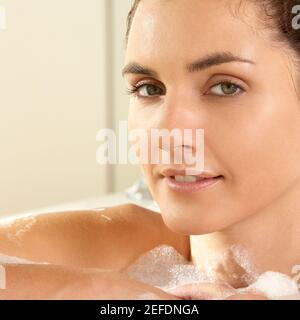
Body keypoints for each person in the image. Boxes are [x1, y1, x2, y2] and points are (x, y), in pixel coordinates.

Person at [1, 0, 300, 299]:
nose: (168, 135)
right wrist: (97, 289)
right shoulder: (125, 251)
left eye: (226, 87)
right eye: (149, 88)